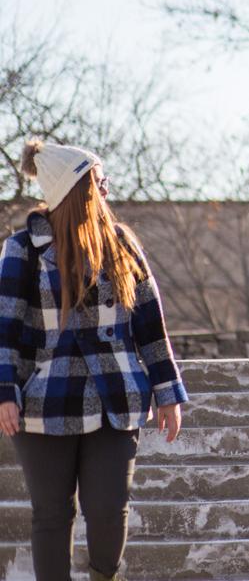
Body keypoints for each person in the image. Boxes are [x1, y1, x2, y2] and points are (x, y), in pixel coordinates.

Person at [0, 140, 187, 581]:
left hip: (116, 397)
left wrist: (167, 392)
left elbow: (150, 326)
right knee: (51, 514)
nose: (107, 190)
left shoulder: (122, 245)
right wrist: (5, 392)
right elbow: (4, 329)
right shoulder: (22, 249)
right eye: (98, 182)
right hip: (45, 402)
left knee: (108, 509)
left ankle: (106, 576)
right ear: (76, 190)